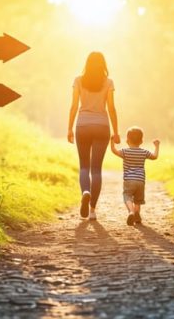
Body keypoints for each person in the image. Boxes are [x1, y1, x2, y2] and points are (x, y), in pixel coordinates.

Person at [68, 52, 120, 221]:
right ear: (102, 64)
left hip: (82, 125)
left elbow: (74, 106)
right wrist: (116, 131)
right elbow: (111, 108)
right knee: (96, 169)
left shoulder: (78, 80)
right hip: (102, 127)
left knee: (84, 167)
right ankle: (92, 211)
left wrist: (69, 128)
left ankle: (85, 192)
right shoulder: (108, 82)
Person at [110, 126, 160, 225]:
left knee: (127, 196)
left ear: (127, 140)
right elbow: (154, 157)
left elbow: (114, 150)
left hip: (129, 180)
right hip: (140, 181)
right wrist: (157, 146)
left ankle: (131, 212)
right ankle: (137, 215)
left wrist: (111, 140)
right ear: (141, 141)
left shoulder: (125, 151)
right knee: (138, 200)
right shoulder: (144, 152)